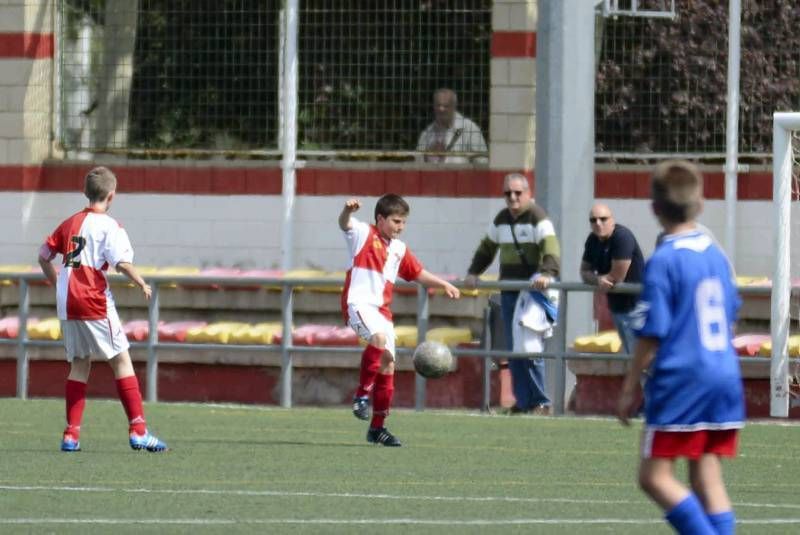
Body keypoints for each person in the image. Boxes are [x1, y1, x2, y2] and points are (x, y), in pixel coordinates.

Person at [616, 160, 743, 535]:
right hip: (723, 374)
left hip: (683, 379)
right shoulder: (716, 256)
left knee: (653, 477)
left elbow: (652, 332)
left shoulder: (664, 261)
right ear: (700, 203)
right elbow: (731, 313)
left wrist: (628, 388)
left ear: (654, 209)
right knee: (707, 474)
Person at [38, 166, 168, 453]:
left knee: (80, 363)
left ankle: (71, 435)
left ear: (86, 193)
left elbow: (44, 255)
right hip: (93, 300)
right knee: (121, 360)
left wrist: (57, 282)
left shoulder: (69, 223)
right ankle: (138, 430)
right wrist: (141, 282)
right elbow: (121, 262)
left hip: (67, 302)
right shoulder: (110, 226)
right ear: (112, 195)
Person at [340, 194, 460, 447]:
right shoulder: (363, 233)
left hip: (382, 312)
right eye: (396, 221)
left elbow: (417, 273)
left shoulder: (399, 248)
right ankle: (361, 396)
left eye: (404, 222)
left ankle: (377, 428)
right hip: (359, 304)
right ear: (380, 219)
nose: (400, 227)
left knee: (388, 366)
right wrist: (347, 211)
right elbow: (344, 224)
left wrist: (443, 284)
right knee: (379, 339)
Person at [464, 173, 560, 415]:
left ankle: (540, 402)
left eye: (518, 193)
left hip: (532, 292)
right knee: (515, 349)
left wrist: (547, 273)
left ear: (528, 193)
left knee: (530, 347)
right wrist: (474, 272)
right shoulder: (501, 219)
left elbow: (550, 247)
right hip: (509, 291)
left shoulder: (538, 217)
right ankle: (523, 402)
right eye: (508, 193)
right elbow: (487, 248)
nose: (513, 198)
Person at [580, 203, 644, 355]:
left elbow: (617, 277)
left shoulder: (622, 237)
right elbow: (583, 272)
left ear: (612, 220)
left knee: (643, 363)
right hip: (617, 308)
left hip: (637, 308)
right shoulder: (592, 240)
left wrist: (599, 278)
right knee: (632, 360)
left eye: (603, 219)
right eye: (593, 220)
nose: (598, 223)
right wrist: (598, 280)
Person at [416, 88, 488, 164]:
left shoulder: (469, 128)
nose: (441, 109)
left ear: (454, 106)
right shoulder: (427, 133)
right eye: (438, 105)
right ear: (433, 106)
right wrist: (427, 155)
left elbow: (482, 162)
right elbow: (417, 164)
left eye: (446, 106)